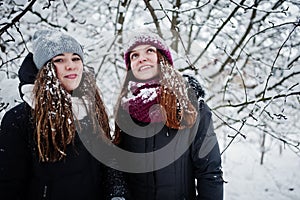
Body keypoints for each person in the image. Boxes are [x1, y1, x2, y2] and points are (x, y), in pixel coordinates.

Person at [0, 30, 128, 200]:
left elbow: (109, 162)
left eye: (76, 58)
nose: (71, 65)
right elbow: (9, 186)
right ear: (45, 69)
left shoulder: (91, 109)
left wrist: (117, 194)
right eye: (59, 60)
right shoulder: (19, 119)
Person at [113, 31, 224, 200]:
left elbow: (210, 172)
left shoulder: (191, 105)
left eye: (149, 51)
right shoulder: (125, 111)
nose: (141, 58)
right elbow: (118, 165)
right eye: (134, 55)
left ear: (162, 58)